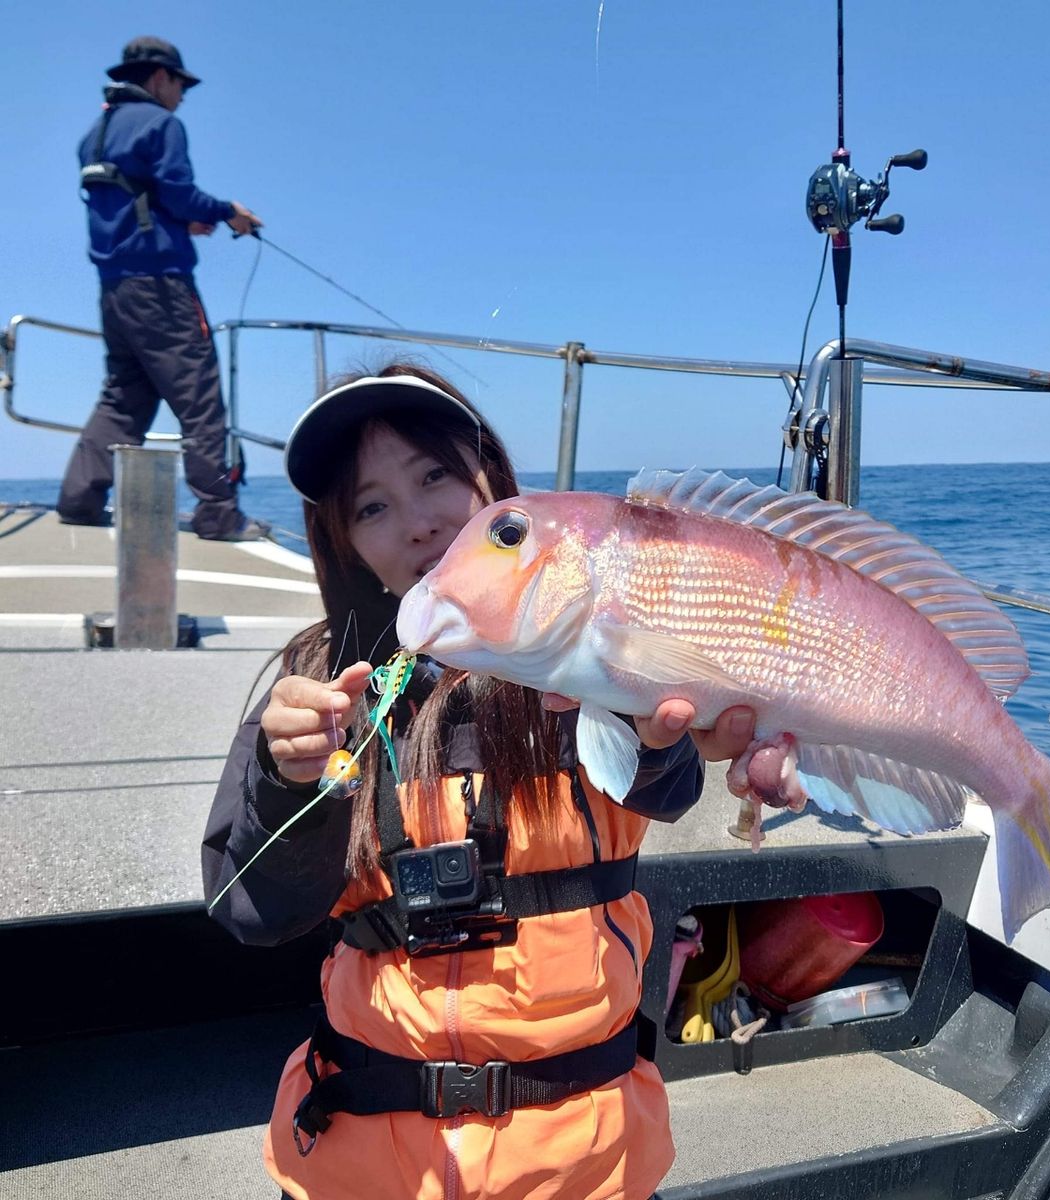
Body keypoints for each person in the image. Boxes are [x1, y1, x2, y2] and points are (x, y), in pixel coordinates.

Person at [202, 363, 758, 1200]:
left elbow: (665, 786)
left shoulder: (575, 654)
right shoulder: (317, 683)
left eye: (435, 477)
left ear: (493, 483)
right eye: (372, 507)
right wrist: (289, 779)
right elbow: (251, 907)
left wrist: (659, 725)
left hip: (577, 1160)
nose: (418, 523)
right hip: (359, 1160)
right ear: (344, 541)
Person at [57, 36, 268, 540]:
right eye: (180, 84)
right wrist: (226, 214)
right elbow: (177, 191)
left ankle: (77, 500)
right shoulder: (162, 124)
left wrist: (180, 222)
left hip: (114, 290)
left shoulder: (96, 133)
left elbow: (136, 199)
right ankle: (218, 513)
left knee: (124, 397)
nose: (183, 96)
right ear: (158, 78)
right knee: (199, 396)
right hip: (161, 287)